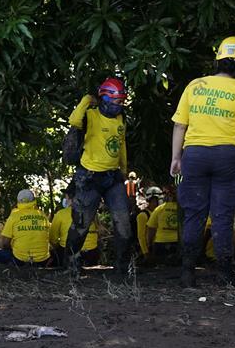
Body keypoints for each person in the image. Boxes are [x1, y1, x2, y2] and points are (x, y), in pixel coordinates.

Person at [170, 36, 235, 287]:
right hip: (229, 156)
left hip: (195, 154)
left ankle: (188, 273)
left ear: (218, 60)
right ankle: (225, 273)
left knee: (194, 214)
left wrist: (176, 158)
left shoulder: (195, 85)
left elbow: (180, 124)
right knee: (223, 216)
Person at [66, 77, 133, 279]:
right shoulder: (91, 115)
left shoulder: (121, 119)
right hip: (89, 177)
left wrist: (124, 169)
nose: (120, 105)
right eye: (117, 101)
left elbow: (121, 145)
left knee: (123, 222)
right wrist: (86, 100)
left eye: (122, 102)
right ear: (105, 98)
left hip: (113, 177)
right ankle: (72, 263)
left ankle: (122, 269)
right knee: (81, 223)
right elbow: (74, 121)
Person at [0, 189, 51, 266]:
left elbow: (5, 243)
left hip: (20, 260)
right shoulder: (43, 216)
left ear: (18, 201)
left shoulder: (14, 216)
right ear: (34, 200)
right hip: (43, 260)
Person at [50, 186, 99, 267]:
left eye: (66, 196)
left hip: (70, 253)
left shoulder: (61, 214)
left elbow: (53, 239)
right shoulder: (91, 212)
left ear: (69, 198)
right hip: (91, 252)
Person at [146, 186, 179, 261]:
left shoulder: (159, 209)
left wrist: (150, 244)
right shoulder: (182, 210)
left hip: (160, 244)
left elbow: (151, 229)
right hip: (177, 244)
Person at [136, 186, 163, 258]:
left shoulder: (159, 213)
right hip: (149, 249)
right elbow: (141, 236)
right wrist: (146, 252)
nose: (157, 203)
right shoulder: (143, 215)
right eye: (154, 201)